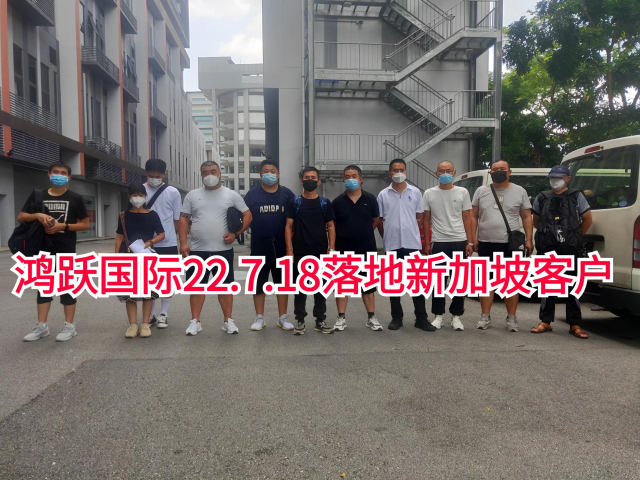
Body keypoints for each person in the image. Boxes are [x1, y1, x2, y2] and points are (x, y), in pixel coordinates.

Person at [179, 161, 252, 336]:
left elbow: (248, 215)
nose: (209, 175)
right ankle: (195, 321)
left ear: (220, 173)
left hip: (223, 249)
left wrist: (236, 233)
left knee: (225, 286)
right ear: (201, 175)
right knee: (197, 286)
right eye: (205, 172)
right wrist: (183, 243)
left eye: (213, 171)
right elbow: (183, 219)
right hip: (197, 249)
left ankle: (228, 321)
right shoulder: (192, 195)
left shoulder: (231, 195)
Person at [20, 163, 90, 342]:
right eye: (56, 172)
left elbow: (85, 224)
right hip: (41, 248)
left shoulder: (75, 198)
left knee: (67, 288)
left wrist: (63, 226)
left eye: (63, 173)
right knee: (43, 288)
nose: (59, 175)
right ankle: (41, 327)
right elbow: (21, 216)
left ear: (69, 177)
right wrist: (37, 215)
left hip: (65, 248)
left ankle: (69, 326)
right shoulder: (38, 195)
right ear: (49, 174)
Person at [470, 159, 534, 332]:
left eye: (502, 169)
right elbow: (473, 215)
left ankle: (511, 318)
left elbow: (526, 216)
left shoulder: (519, 191)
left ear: (509, 172)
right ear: (490, 172)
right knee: (486, 282)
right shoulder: (481, 191)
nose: (498, 171)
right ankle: (485, 316)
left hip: (510, 245)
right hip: (486, 243)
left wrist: (529, 239)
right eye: (495, 169)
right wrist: (473, 238)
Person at [531, 164, 593, 339]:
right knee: (547, 283)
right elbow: (536, 221)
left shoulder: (576, 196)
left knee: (572, 285)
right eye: (552, 178)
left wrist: (575, 237)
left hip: (570, 247)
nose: (555, 181)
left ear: (567, 178)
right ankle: (545, 321)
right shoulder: (542, 197)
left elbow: (587, 219)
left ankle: (575, 324)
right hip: (547, 246)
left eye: (558, 177)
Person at [377, 159, 435, 332]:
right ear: (390, 173)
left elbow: (420, 217)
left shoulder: (415, 192)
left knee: (416, 282)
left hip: (412, 244)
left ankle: (421, 319)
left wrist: (412, 233)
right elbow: (380, 220)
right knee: (394, 284)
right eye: (395, 170)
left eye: (402, 170)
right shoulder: (383, 195)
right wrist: (388, 235)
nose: (399, 173)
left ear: (406, 172)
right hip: (392, 245)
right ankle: (396, 318)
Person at [243, 159, 295, 331]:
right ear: (260, 174)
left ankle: (283, 317)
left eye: (273, 171)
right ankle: (259, 318)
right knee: (259, 282)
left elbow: (295, 218)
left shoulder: (287, 194)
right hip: (259, 245)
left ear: (278, 174)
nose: (269, 174)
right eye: (266, 171)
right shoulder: (252, 195)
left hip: (282, 246)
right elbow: (244, 217)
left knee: (282, 283)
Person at [423, 161, 474, 331]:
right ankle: (438, 315)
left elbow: (467, 218)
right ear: (436, 173)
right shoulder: (429, 193)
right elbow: (426, 220)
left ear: (454, 172)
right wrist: (427, 242)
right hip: (438, 241)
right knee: (438, 281)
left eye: (448, 170)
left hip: (459, 240)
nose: (445, 173)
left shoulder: (462, 192)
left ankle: (456, 316)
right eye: (442, 171)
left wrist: (470, 242)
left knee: (459, 280)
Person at [285, 166, 336, 335]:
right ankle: (300, 320)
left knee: (321, 288)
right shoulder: (295, 203)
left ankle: (320, 320)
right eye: (307, 177)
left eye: (313, 178)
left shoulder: (325, 203)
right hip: (299, 252)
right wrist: (289, 250)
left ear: (318, 181)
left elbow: (331, 226)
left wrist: (331, 249)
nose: (310, 180)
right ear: (301, 181)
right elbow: (288, 226)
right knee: (300, 289)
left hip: (320, 252)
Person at [331, 165, 383, 331]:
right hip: (343, 249)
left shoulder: (370, 199)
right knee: (342, 284)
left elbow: (375, 220)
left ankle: (371, 317)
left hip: (366, 248)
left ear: (361, 179)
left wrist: (363, 232)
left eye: (354, 176)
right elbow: (333, 226)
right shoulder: (337, 202)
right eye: (347, 176)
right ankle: (341, 318)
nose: (350, 179)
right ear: (343, 179)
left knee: (368, 285)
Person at [115, 184, 165, 339]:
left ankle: (145, 324)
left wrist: (152, 241)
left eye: (141, 195)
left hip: (146, 256)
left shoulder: (152, 215)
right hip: (127, 256)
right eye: (134, 195)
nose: (138, 198)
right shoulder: (123, 215)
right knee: (129, 293)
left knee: (147, 293)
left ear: (145, 197)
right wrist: (115, 258)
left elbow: (162, 234)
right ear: (129, 196)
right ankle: (132, 325)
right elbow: (119, 237)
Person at [143, 158, 182, 329]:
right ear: (146, 173)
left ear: (164, 174)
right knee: (148, 280)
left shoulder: (173, 192)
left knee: (167, 280)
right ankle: (150, 314)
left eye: (158, 176)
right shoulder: (140, 190)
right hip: (145, 244)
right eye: (151, 175)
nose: (154, 179)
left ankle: (164, 314)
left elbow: (177, 218)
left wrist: (174, 238)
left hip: (168, 243)